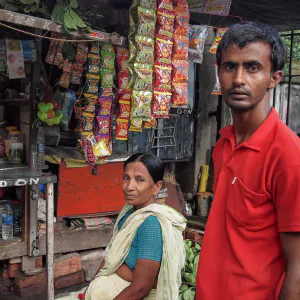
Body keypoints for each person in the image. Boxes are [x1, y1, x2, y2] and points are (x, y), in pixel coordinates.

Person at [197, 22, 300, 299]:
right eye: (230, 66)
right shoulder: (223, 144)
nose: (239, 78)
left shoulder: (289, 156)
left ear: (274, 78)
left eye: (253, 68)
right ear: (219, 72)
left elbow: (298, 267)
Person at [58, 153, 186, 300]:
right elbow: (111, 256)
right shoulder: (129, 212)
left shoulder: (151, 224)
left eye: (140, 180)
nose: (129, 187)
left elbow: (141, 289)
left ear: (156, 187)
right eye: (126, 178)